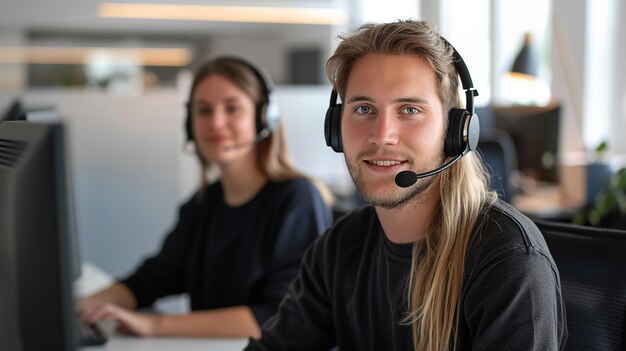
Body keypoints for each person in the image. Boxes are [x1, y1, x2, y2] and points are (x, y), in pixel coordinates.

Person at [246, 20, 567, 350]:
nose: (382, 134)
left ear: (456, 131)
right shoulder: (341, 247)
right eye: (364, 108)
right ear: (336, 129)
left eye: (409, 109)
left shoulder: (506, 261)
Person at [78, 56, 333, 339]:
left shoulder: (296, 198)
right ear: (190, 124)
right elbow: (152, 279)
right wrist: (78, 307)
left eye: (232, 109)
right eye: (203, 110)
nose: (216, 122)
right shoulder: (203, 205)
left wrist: (153, 326)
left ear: (264, 117)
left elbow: (281, 313)